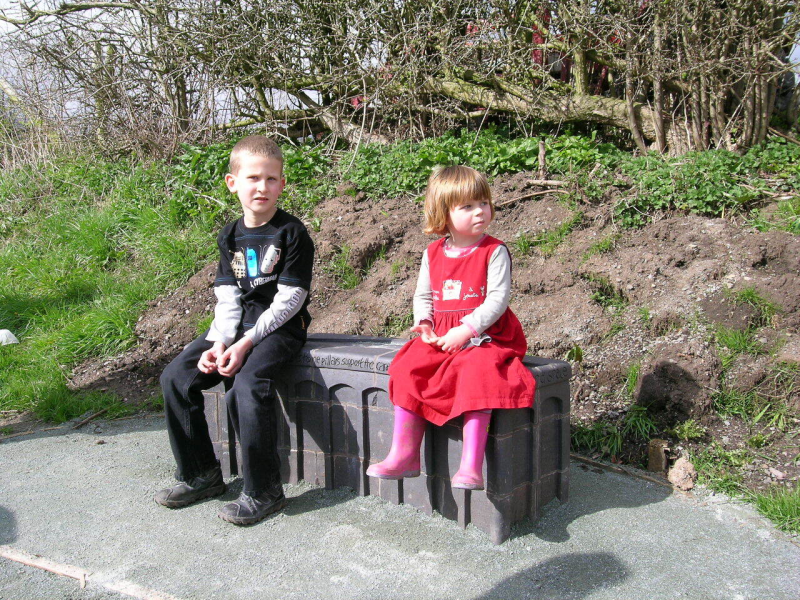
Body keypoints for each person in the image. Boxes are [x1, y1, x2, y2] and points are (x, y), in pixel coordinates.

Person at [155, 135, 314, 524]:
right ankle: (201, 474)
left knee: (246, 386)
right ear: (233, 182)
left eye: (272, 179)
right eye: (254, 178)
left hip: (279, 329)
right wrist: (220, 342)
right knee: (176, 378)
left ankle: (264, 491)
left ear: (282, 183)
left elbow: (291, 300)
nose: (263, 187)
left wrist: (245, 344)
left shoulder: (292, 234)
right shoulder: (229, 236)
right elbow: (227, 297)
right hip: (235, 328)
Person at [367, 165, 535, 490]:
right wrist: (425, 323)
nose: (479, 212)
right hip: (443, 331)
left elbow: (497, 300)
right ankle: (404, 454)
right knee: (407, 366)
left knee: (477, 370)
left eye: (483, 203)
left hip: (487, 334)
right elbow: (424, 294)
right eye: (467, 206)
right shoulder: (432, 252)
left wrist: (466, 329)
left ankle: (471, 465)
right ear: (444, 213)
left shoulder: (493, 250)